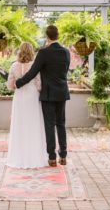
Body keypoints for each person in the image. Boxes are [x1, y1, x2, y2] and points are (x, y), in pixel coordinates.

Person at [12, 25, 71, 167]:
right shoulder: (66, 52)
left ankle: (51, 157)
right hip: (62, 92)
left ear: (47, 36)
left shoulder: (44, 53)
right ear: (58, 35)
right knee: (61, 124)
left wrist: (19, 83)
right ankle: (63, 156)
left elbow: (33, 72)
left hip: (48, 94)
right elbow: (65, 71)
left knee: (49, 125)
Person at [5, 42, 49, 169]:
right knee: (33, 124)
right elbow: (39, 85)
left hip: (19, 98)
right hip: (32, 97)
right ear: (31, 52)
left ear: (19, 51)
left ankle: (18, 157)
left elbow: (10, 86)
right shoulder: (34, 66)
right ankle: (34, 156)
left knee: (19, 125)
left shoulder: (14, 66)